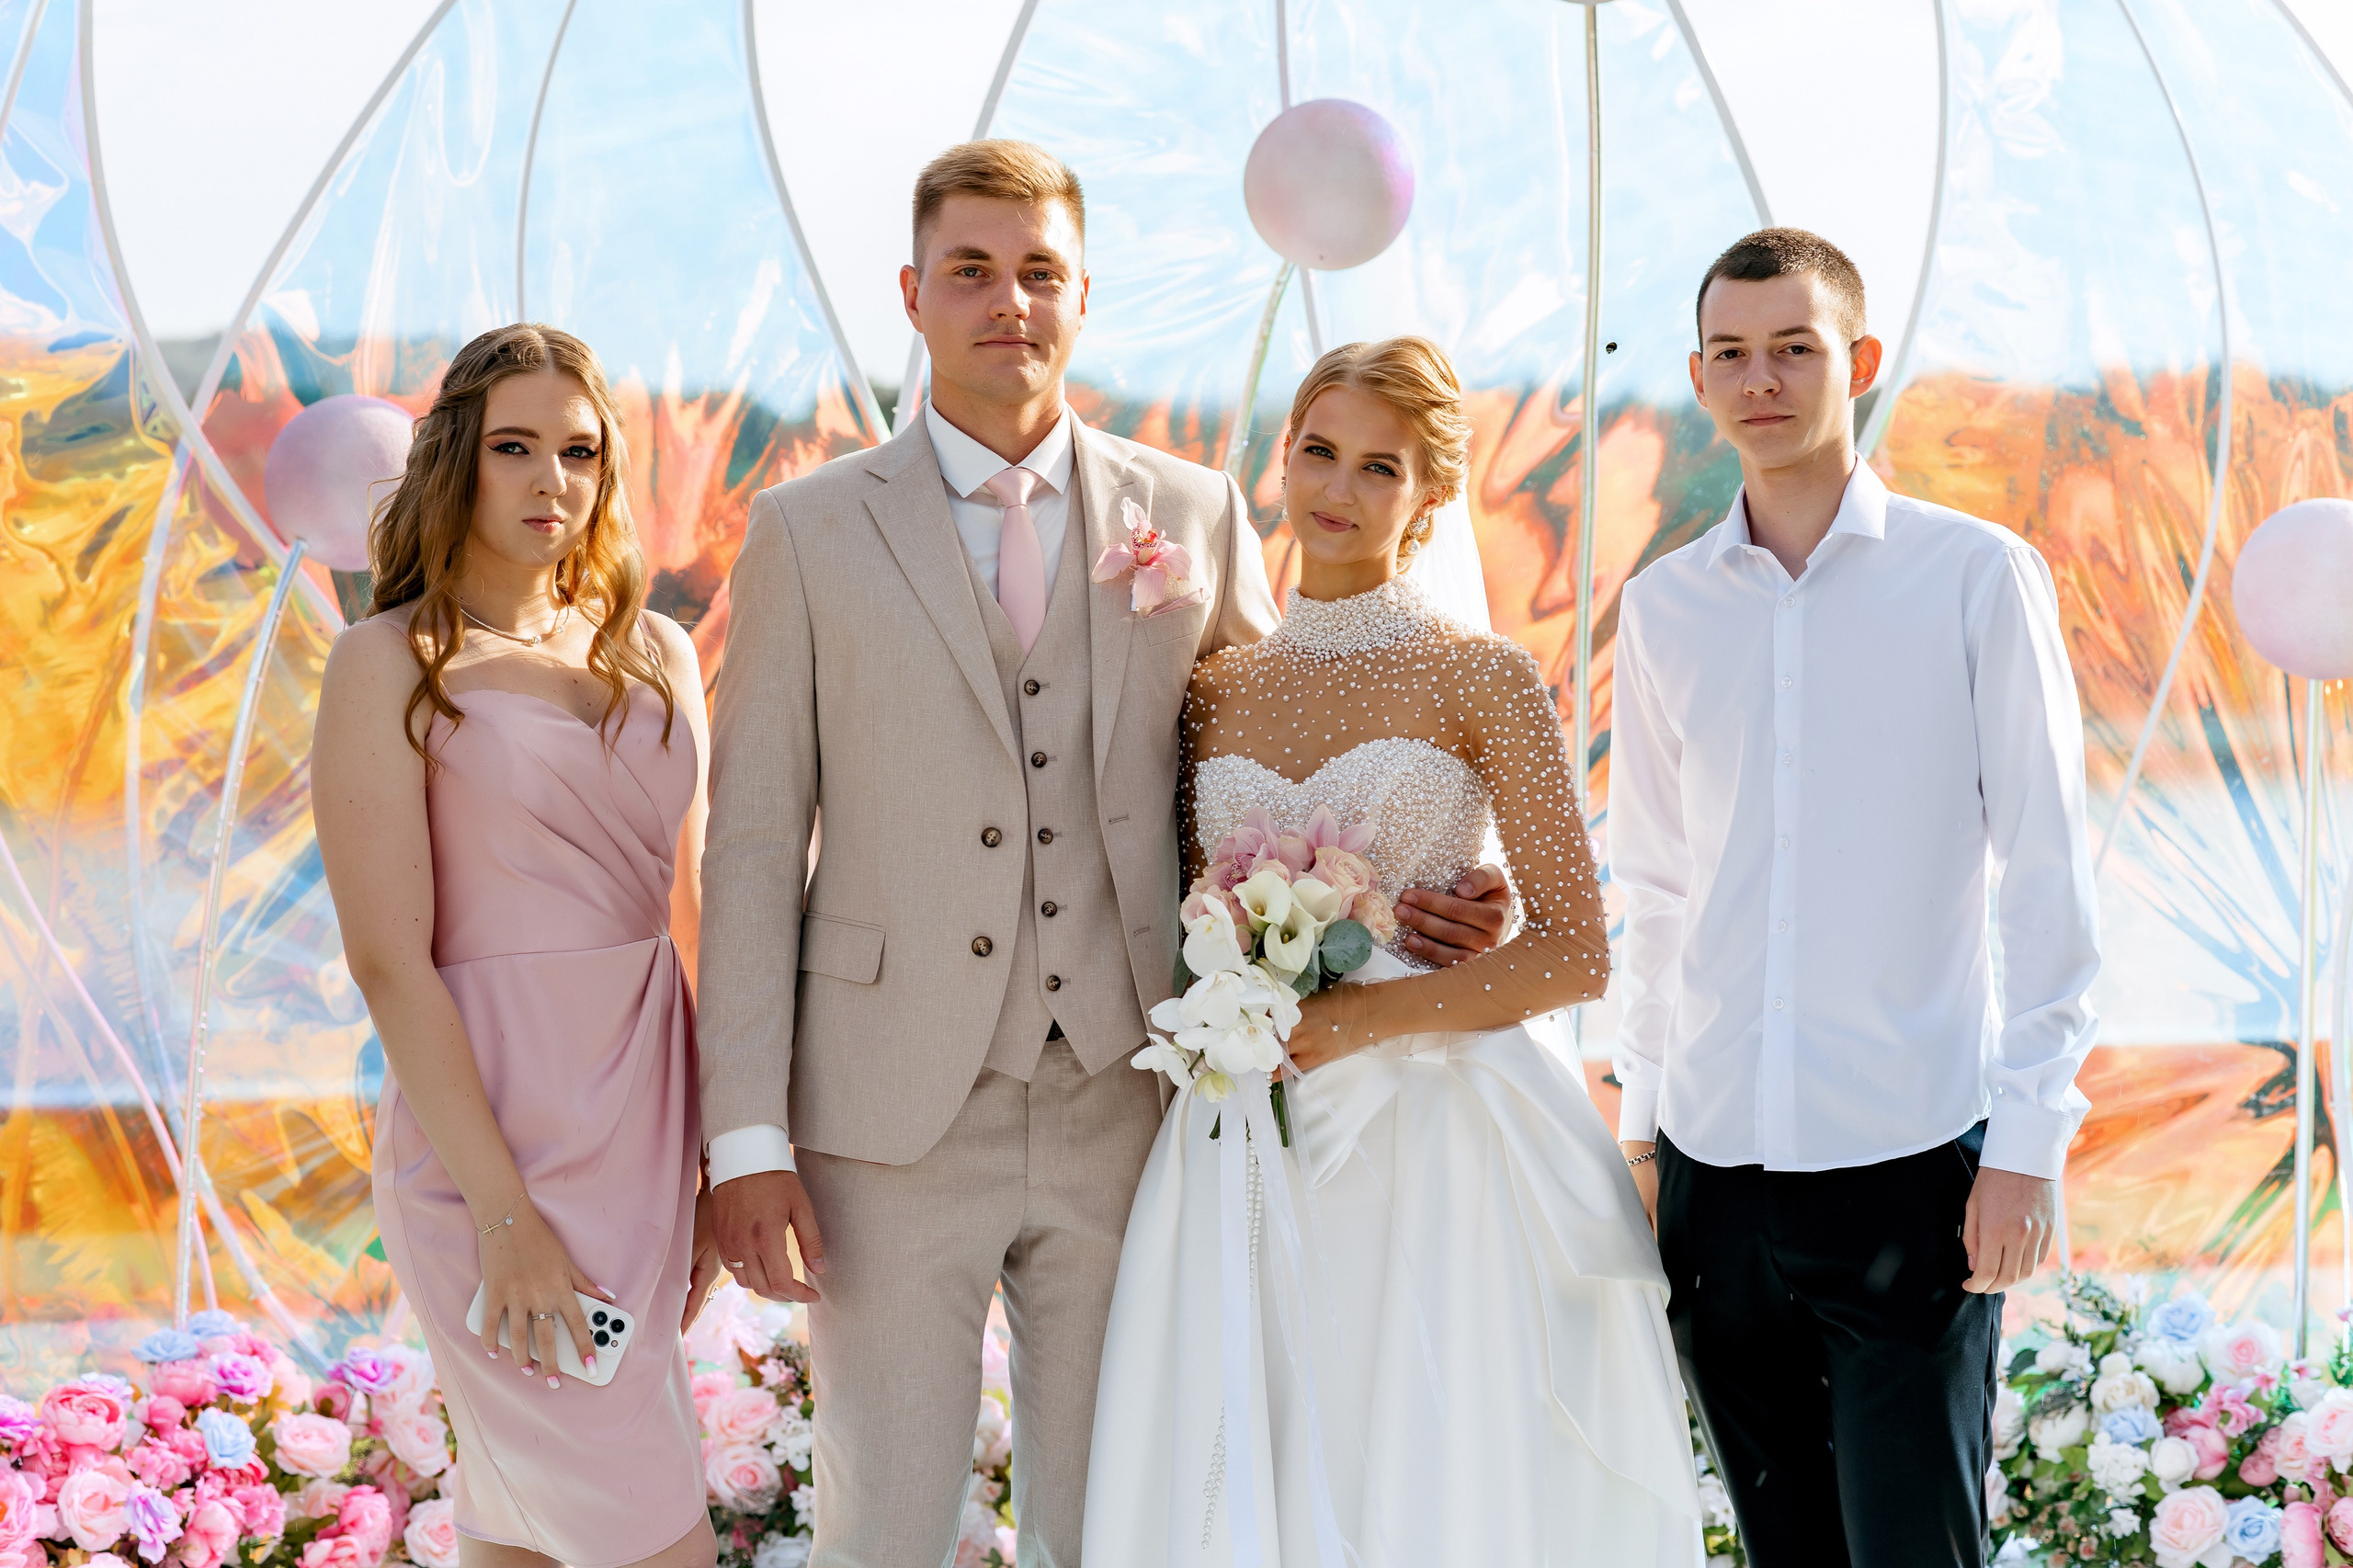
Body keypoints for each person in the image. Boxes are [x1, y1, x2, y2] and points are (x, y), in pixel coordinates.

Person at [696, 142, 1511, 1567]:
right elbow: (755, 847)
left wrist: (1432, 864)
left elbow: (1283, 770)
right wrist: (745, 1140)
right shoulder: (807, 531)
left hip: (1131, 1103)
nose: (1007, 300)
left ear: (1083, 300)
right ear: (914, 292)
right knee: (880, 1523)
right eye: (971, 270)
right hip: (881, 1122)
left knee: (1122, 1522)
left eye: (1039, 273)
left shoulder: (1185, 513)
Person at [1086, 336, 1703, 1564]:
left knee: (1424, 1452)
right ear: (1281, 459)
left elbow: (1580, 951)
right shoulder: (1211, 687)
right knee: (1258, 1436)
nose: (1341, 487)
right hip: (1246, 1124)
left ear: (1429, 500)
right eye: (1321, 449)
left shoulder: (1480, 678)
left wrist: (1367, 1014)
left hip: (1435, 1137)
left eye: (1383, 466)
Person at [1609, 228, 2101, 1566]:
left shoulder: (1975, 575)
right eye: (1731, 354)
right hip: (1714, 1171)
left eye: (1794, 349)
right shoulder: (1662, 609)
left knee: (1916, 1550)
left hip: (1911, 1163)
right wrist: (1643, 1126)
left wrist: (2030, 1145)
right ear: (1698, 376)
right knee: (1783, 1550)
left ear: (1860, 362)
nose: (1760, 379)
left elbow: (2049, 873)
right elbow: (1651, 883)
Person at [314, 324, 719, 1568]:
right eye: (516, 448)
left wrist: (718, 1156)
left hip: (645, 1132)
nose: (553, 480)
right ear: (459, 461)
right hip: (489, 1144)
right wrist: (503, 1213)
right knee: (651, 1534)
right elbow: (390, 959)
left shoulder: (653, 649)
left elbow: (696, 907)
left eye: (582, 451)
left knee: (526, 1523)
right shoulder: (385, 661)